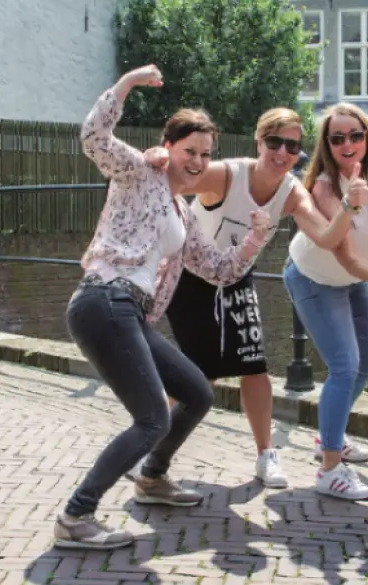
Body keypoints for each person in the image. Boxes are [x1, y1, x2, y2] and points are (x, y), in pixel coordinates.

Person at [54, 64, 273, 550]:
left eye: (205, 154)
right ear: (168, 147)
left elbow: (219, 269)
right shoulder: (138, 171)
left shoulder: (183, 212)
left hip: (130, 313)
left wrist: (255, 239)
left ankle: (152, 478)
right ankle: (77, 514)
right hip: (104, 299)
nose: (197, 161)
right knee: (152, 417)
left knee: (197, 392)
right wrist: (127, 84)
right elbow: (93, 137)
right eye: (189, 151)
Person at [145, 107, 367, 489]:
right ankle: (152, 450)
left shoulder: (291, 191)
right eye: (275, 142)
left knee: (254, 365)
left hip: (237, 275)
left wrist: (350, 207)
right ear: (259, 141)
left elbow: (328, 238)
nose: (283, 153)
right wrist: (158, 157)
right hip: (193, 275)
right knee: (200, 376)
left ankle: (266, 455)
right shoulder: (227, 175)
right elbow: (169, 178)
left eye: (293, 146)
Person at [283, 103, 368, 500]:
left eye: (355, 135)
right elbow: (342, 253)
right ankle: (329, 468)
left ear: (367, 136)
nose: (348, 143)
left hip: (355, 277)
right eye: (338, 137)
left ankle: (331, 434)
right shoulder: (324, 187)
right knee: (344, 365)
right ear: (327, 145)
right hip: (316, 277)